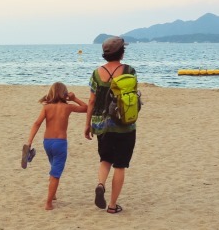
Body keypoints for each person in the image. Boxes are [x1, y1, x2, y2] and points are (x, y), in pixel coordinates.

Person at [84, 36, 137, 214]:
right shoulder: (130, 70)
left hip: (101, 124)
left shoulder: (96, 73)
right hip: (124, 124)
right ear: (121, 53)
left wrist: (87, 124)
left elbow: (91, 101)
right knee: (120, 165)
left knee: (105, 159)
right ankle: (113, 206)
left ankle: (100, 184)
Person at [25, 82, 87, 210]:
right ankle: (48, 203)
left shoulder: (47, 107)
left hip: (47, 142)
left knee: (54, 167)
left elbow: (37, 123)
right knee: (56, 173)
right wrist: (74, 98)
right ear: (65, 94)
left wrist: (29, 141)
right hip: (60, 143)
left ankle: (52, 195)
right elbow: (86, 108)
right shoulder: (67, 107)